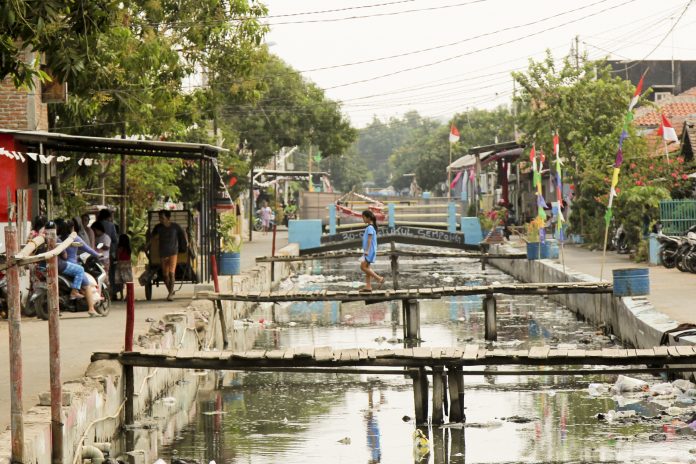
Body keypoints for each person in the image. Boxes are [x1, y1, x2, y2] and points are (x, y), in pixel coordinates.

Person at [151, 210, 187, 301]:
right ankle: (170, 291)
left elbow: (183, 233)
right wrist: (147, 246)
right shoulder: (158, 228)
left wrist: (187, 243)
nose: (160, 220)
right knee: (165, 275)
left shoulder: (175, 227)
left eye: (162, 218)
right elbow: (152, 237)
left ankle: (170, 294)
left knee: (171, 273)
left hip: (173, 252)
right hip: (162, 253)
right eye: (159, 218)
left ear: (168, 218)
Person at [359, 210, 385, 292]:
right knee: (367, 268)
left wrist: (367, 250)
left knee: (362, 267)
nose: (363, 219)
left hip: (369, 251)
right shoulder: (371, 227)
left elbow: (369, 240)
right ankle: (368, 286)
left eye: (364, 217)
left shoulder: (370, 227)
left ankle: (379, 278)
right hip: (370, 250)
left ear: (368, 218)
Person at [114, 234, 133, 300]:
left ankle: (121, 296)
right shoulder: (129, 248)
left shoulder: (119, 248)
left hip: (120, 265)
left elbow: (117, 256)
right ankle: (128, 295)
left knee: (120, 282)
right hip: (128, 265)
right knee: (128, 282)